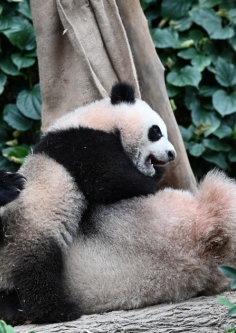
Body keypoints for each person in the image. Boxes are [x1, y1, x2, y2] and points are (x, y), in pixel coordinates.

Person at [31, 0, 196, 190]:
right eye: (157, 133)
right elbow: (114, 183)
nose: (171, 152)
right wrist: (149, 182)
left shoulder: (79, 135)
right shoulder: (87, 139)